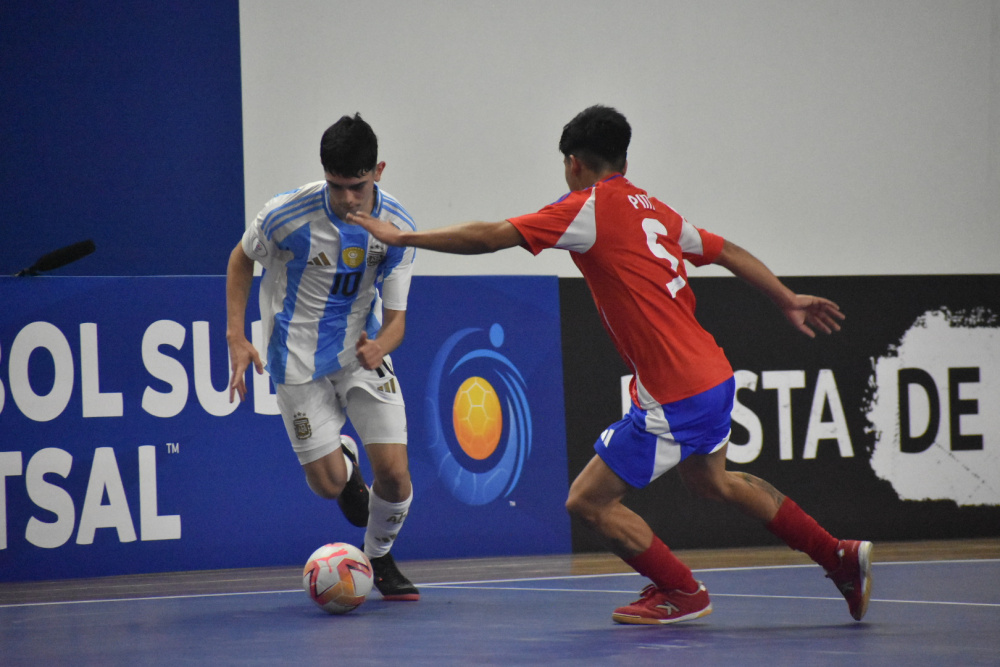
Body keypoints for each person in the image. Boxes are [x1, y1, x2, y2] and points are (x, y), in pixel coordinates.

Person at [347, 105, 872, 624]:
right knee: (715, 482)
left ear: (574, 162)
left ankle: (681, 591)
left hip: (676, 390)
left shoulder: (587, 207)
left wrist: (404, 237)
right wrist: (785, 297)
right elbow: (727, 250)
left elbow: (491, 235)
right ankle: (838, 556)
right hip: (713, 374)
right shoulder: (655, 209)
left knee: (587, 501)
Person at [226, 113, 419, 601]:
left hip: (362, 352)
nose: (346, 198)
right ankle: (344, 462)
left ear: (378, 170)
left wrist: (382, 346)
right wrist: (235, 335)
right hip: (295, 361)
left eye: (356, 186)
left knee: (395, 476)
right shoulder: (285, 215)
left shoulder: (396, 227)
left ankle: (377, 556)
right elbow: (241, 258)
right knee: (331, 486)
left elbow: (397, 319)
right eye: (336, 186)